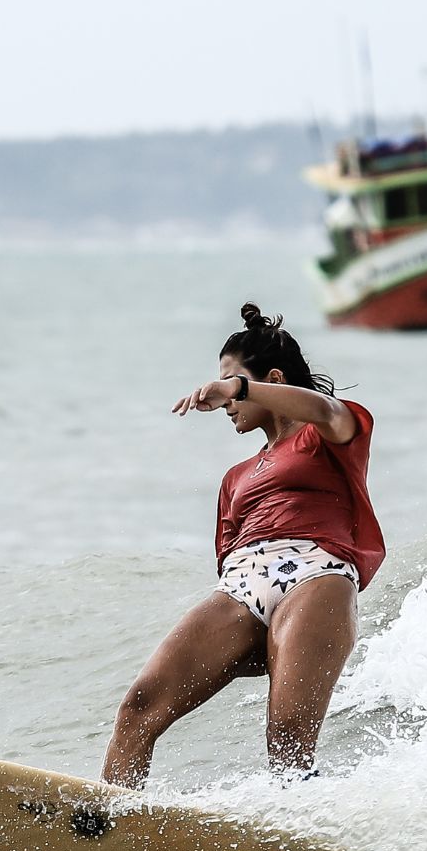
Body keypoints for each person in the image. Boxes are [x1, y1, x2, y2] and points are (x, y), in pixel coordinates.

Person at [102, 304, 385, 789]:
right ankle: (98, 825)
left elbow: (320, 407)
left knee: (288, 739)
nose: (226, 400)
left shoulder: (331, 434)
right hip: (242, 585)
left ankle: (297, 839)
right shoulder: (236, 477)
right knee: (139, 708)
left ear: (271, 380)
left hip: (316, 576)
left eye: (233, 383)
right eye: (224, 386)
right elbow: (229, 554)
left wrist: (236, 386)